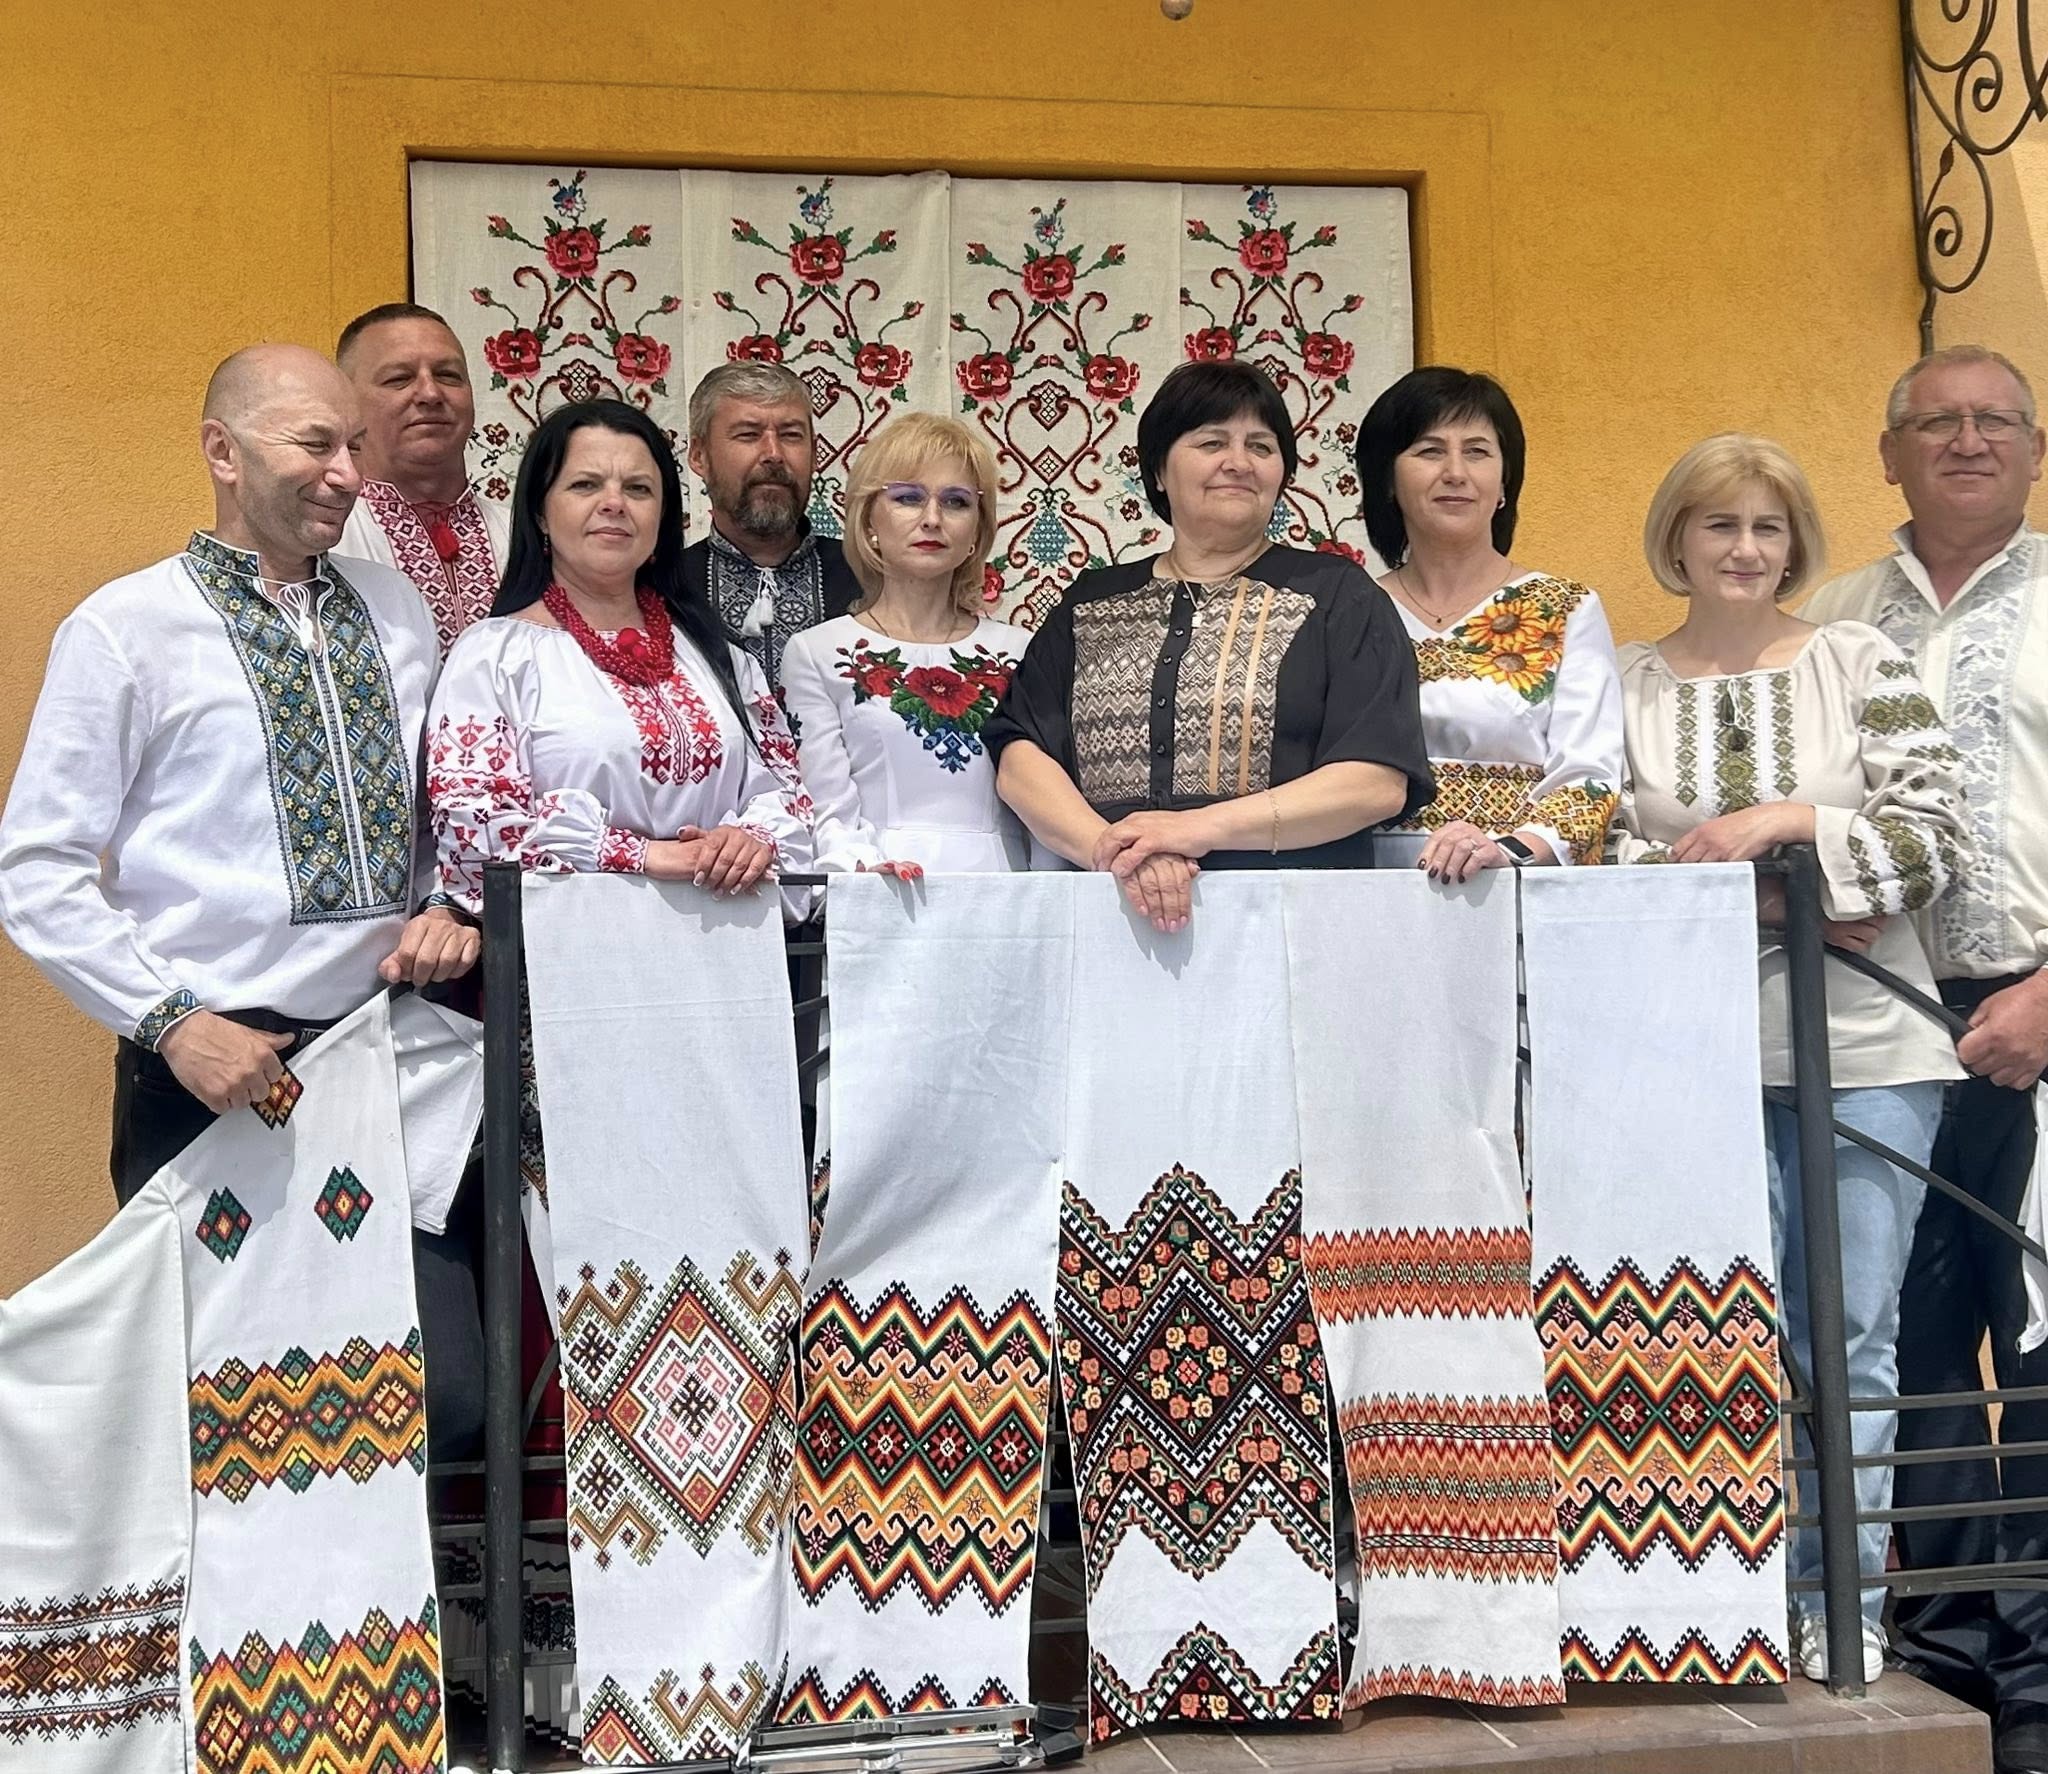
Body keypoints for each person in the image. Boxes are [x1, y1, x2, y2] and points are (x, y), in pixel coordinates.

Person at [0, 342, 482, 1446]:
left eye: (351, 446)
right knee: (218, 1417)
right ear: (223, 451)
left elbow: (434, 809)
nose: (347, 473)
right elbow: (37, 867)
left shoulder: (396, 610)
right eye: (315, 443)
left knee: (436, 1400)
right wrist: (173, 1024)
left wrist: (443, 907)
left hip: (378, 1068)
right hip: (211, 1073)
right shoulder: (125, 629)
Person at [1613, 432, 1969, 1685]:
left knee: (1850, 1332)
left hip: (1867, 1049)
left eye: (1766, 527)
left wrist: (1787, 822)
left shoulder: (1856, 660)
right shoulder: (1625, 682)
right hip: (1688, 1047)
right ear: (1677, 537)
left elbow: (1933, 833)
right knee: (1717, 1330)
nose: (1745, 549)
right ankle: (1734, 1597)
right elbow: (1596, 848)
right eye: (1719, 524)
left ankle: (1841, 1600)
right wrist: (1775, 899)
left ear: (1795, 543)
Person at [1803, 345, 2048, 1770]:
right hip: (1884, 1025)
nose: (1964, 440)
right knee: (1911, 1344)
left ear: (2034, 448)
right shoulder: (1829, 617)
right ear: (1887, 451)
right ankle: (1947, 1659)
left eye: (1993, 420)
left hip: (2040, 1012)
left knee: (2042, 1337)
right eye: (1934, 421)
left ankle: (2043, 1682)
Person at [986, 359, 1432, 932]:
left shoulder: (1339, 596)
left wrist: (1194, 829)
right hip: (1109, 918)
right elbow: (1021, 757)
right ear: (1158, 471)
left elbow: (1376, 782)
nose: (1239, 462)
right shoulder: (1090, 603)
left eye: (1261, 446)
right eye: (1212, 442)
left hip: (1293, 925)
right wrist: (1113, 849)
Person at [425, 397, 812, 912]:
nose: (614, 503)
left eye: (638, 488)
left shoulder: (720, 657)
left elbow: (790, 799)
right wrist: (643, 855)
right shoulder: (493, 657)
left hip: (727, 940)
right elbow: (475, 838)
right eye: (585, 485)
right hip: (573, 947)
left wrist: (752, 841)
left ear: (662, 517)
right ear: (541, 513)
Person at [1354, 365, 1623, 878]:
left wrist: (1505, 850)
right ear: (1387, 478)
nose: (1455, 472)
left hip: (1511, 882)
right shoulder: (1349, 609)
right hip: (1369, 884)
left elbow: (1590, 778)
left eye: (1477, 452)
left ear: (1504, 483)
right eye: (1430, 451)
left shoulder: (1565, 607)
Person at [781, 414, 1028, 876]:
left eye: (956, 501)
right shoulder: (818, 653)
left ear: (977, 530)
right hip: (881, 886)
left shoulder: (1022, 652)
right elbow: (826, 809)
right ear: (869, 519)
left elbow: (1046, 807)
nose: (932, 519)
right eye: (908, 498)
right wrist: (862, 875)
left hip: (1008, 892)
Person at [336, 302, 510, 654]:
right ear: (346, 404)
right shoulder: (323, 543)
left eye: (448, 375)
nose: (431, 393)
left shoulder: (527, 537)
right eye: (398, 378)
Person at [681, 361, 861, 695]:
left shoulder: (869, 579)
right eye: (748, 435)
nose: (774, 454)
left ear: (815, 454)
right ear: (699, 456)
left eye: (791, 435)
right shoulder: (667, 588)